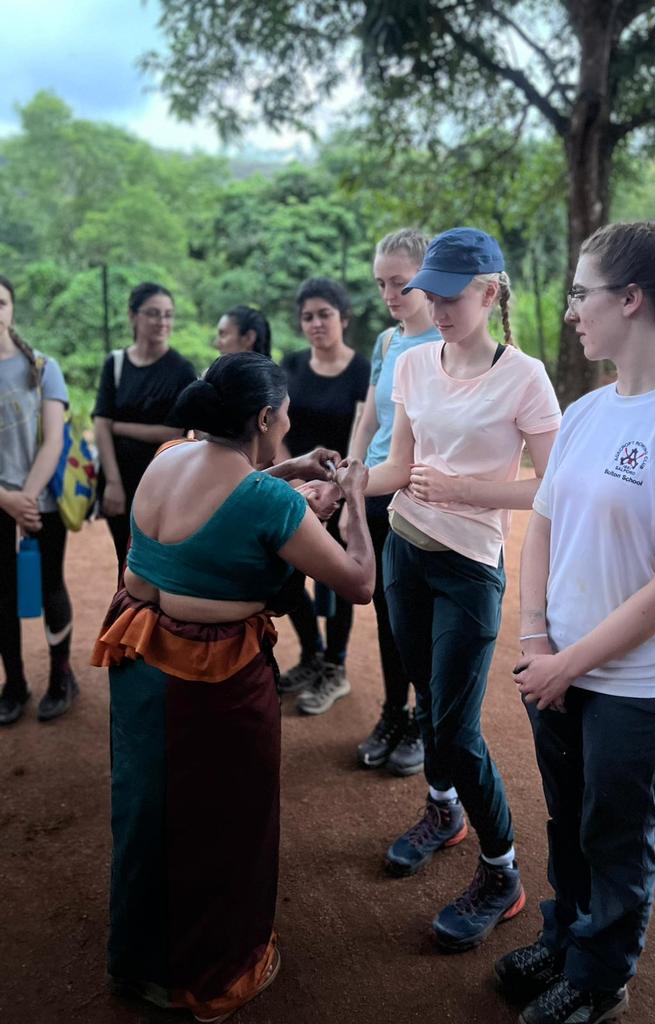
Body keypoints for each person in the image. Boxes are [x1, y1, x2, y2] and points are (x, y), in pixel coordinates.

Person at [496, 222, 655, 1024]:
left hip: (633, 688)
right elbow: (547, 525)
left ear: (629, 300)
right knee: (567, 819)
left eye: (581, 293)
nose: (572, 311)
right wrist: (537, 639)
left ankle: (600, 980)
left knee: (614, 835)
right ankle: (566, 939)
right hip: (555, 664)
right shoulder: (592, 410)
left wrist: (568, 666)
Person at [91, 352, 374, 1024]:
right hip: (210, 684)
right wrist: (352, 501)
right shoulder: (268, 503)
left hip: (139, 656)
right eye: (285, 419)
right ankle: (209, 976)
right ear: (267, 417)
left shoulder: (171, 456)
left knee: (147, 810)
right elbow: (358, 582)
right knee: (222, 823)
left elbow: (218, 492)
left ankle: (139, 964)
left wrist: (287, 471)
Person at [365, 227, 561, 951]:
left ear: (489, 292)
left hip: (470, 568)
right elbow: (399, 468)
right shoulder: (413, 366)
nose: (435, 307)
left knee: (456, 726)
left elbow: (555, 485)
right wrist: (349, 481)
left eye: (450, 296)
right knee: (428, 701)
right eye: (429, 294)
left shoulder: (526, 377)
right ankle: (442, 809)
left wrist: (465, 490)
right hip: (404, 552)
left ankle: (501, 870)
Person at [345, 228, 441, 775]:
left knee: (419, 618)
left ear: (429, 280)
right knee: (386, 612)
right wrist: (352, 476)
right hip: (377, 494)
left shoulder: (448, 343)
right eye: (381, 283)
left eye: (400, 283)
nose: (389, 295)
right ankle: (392, 711)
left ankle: (425, 724)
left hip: (423, 501)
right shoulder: (387, 343)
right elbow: (369, 415)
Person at [278, 277, 370, 714]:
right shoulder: (291, 365)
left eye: (325, 315)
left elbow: (363, 436)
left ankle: (335, 668)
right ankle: (312, 655)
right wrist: (294, 481)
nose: (316, 323)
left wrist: (337, 491)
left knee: (333, 579)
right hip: (295, 491)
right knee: (288, 577)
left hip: (337, 494)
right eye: (308, 317)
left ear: (344, 318)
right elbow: (274, 428)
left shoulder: (361, 371)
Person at [0, 274, 78, 726]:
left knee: (51, 587)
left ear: (12, 308)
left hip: (41, 503)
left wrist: (25, 499)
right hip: (3, 504)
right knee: (2, 595)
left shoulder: (44, 367)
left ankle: (61, 677)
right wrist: (7, 501)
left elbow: (53, 441)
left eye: (2, 302)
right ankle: (14, 683)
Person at [93, 282, 197, 575]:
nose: (162, 322)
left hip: (163, 484)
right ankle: (126, 621)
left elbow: (174, 433)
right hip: (119, 481)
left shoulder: (181, 370)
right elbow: (100, 424)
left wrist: (121, 427)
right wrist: (112, 483)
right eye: (153, 313)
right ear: (133, 316)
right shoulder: (115, 364)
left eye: (168, 315)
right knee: (122, 561)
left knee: (153, 565)